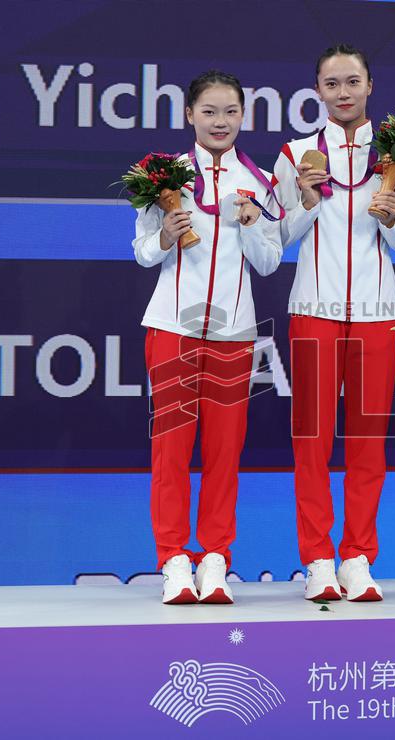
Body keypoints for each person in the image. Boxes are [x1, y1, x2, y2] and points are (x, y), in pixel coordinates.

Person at [133, 70, 283, 605]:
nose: (220, 122)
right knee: (171, 450)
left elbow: (268, 263)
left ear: (244, 117)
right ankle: (173, 559)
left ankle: (215, 558)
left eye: (231, 113)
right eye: (210, 112)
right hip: (172, 327)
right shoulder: (162, 176)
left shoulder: (261, 181)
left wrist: (247, 224)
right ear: (190, 116)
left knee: (224, 451)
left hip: (234, 333)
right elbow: (142, 252)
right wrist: (163, 238)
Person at [272, 44, 395, 602]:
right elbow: (278, 236)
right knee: (310, 441)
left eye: (352, 81)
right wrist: (305, 203)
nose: (343, 92)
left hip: (379, 312)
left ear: (370, 86)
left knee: (367, 440)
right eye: (331, 84)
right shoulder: (294, 154)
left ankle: (358, 556)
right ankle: (316, 560)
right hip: (313, 311)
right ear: (317, 91)